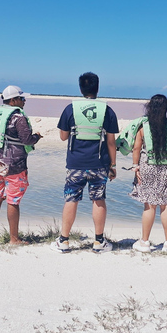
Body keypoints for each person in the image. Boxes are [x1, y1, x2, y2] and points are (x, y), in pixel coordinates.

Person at [51, 72, 119, 253]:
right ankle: (99, 242)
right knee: (98, 199)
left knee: (71, 199)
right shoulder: (108, 110)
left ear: (81, 88)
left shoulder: (69, 109)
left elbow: (63, 137)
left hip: (75, 164)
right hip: (100, 164)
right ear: (98, 87)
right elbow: (111, 142)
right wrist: (113, 166)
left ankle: (64, 241)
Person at [0, 85, 42, 245]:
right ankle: (14, 239)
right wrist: (36, 137)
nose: (24, 101)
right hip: (15, 165)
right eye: (22, 98)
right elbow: (26, 140)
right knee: (13, 200)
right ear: (14, 100)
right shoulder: (17, 117)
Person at [129, 94, 167, 253]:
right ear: (166, 108)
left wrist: (135, 166)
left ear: (149, 107)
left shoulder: (143, 125)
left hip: (148, 167)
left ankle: (144, 243)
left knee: (149, 206)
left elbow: (136, 148)